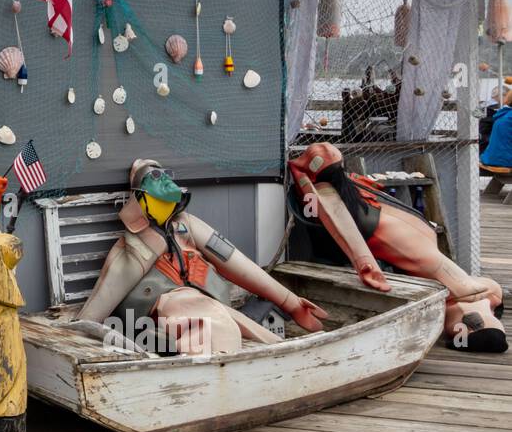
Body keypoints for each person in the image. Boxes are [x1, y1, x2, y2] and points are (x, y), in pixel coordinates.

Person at [79, 160, 327, 355]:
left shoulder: (186, 226)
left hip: (206, 302)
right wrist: (76, 332)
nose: (165, 183)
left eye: (166, 177)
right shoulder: (135, 248)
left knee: (255, 330)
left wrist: (291, 303)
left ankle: (290, 354)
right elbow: (101, 302)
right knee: (213, 324)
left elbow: (234, 261)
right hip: (168, 307)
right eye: (154, 179)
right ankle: (213, 366)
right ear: (140, 197)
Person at [290, 142, 505, 352]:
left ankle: (478, 321)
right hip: (423, 248)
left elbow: (336, 216)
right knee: (479, 293)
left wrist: (365, 264)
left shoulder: (332, 194)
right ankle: (481, 313)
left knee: (470, 299)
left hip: (427, 259)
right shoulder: (344, 190)